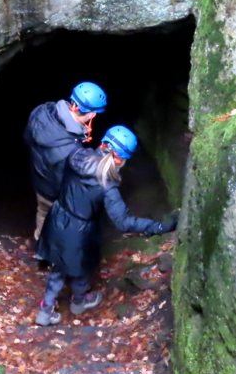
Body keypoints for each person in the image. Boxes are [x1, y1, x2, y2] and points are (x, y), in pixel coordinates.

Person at [35, 126, 177, 326]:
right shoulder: (107, 186)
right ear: (120, 159)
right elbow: (124, 221)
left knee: (58, 267)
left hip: (58, 218)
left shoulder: (76, 154)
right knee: (81, 268)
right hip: (80, 231)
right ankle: (79, 301)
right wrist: (161, 227)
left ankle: (45, 310)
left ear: (102, 144)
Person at [24, 82, 108, 242]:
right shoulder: (71, 151)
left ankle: (39, 244)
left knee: (42, 213)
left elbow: (27, 138)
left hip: (39, 180)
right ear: (91, 115)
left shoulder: (41, 111)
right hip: (55, 193)